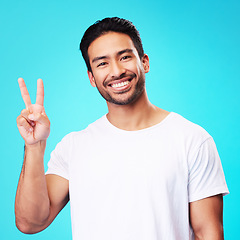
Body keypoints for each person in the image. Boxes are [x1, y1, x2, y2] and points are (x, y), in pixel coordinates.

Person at [15, 17, 229, 240]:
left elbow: (209, 233)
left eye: (125, 57)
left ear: (144, 62)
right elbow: (30, 223)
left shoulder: (192, 139)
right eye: (102, 63)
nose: (116, 71)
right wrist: (34, 146)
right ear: (91, 77)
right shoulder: (73, 147)